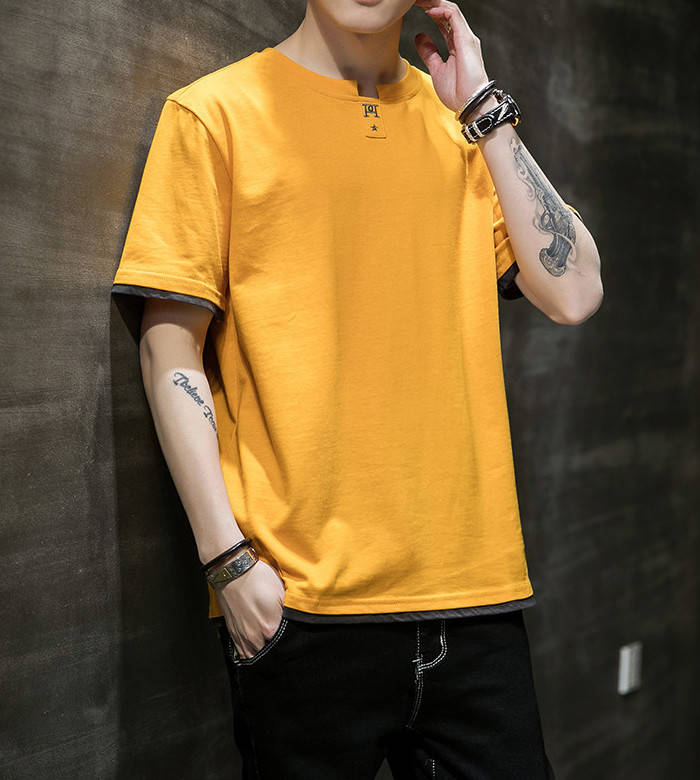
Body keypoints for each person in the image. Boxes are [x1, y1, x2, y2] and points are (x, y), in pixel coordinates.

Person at [111, 0, 603, 777]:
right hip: (300, 608)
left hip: (473, 600)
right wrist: (228, 563)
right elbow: (168, 346)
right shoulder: (214, 114)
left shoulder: (465, 129)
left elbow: (575, 292)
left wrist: (484, 110)